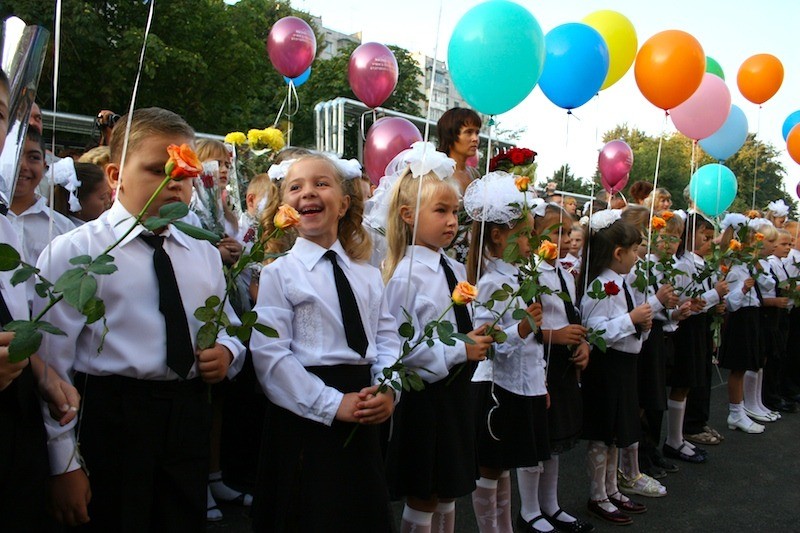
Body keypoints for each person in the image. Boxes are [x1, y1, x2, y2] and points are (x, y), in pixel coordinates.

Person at [36, 107, 246, 530]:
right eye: (157, 169)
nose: (174, 182)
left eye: (185, 175)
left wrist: (227, 351)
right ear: (115, 176)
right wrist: (64, 463)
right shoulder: (76, 252)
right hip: (111, 418)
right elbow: (52, 365)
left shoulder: (202, 252)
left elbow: (226, 325)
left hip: (185, 418)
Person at [248, 153, 398, 532]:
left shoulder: (367, 275)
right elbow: (270, 356)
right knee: (310, 512)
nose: (308, 193)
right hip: (305, 410)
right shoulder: (279, 274)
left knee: (357, 512)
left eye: (321, 183)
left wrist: (389, 387)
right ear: (285, 206)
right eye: (296, 187)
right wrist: (331, 404)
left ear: (344, 204)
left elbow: (386, 336)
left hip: (363, 401)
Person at [382, 150, 494, 533]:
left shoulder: (453, 266)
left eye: (454, 212)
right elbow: (400, 351)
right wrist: (459, 349)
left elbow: (453, 323)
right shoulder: (405, 277)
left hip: (455, 394)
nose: (451, 221)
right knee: (425, 490)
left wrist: (473, 337)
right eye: (440, 211)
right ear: (408, 215)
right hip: (426, 401)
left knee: (449, 487)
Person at [462, 174, 548, 533]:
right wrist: (522, 329)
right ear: (499, 236)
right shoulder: (491, 282)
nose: (532, 241)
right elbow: (486, 341)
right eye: (525, 233)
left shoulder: (517, 277)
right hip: (497, 387)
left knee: (505, 466)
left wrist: (541, 383)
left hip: (520, 385)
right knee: (491, 467)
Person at [578, 210, 652, 526]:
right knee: (601, 434)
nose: (638, 256)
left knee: (612, 435)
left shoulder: (620, 282)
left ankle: (610, 490)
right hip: (605, 368)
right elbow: (593, 330)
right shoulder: (600, 286)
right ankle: (597, 495)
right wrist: (631, 320)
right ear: (618, 253)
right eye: (634, 250)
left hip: (622, 366)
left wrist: (641, 324)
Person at [532, 204, 594, 533]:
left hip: (564, 363)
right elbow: (524, 326)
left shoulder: (564, 273)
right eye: (555, 232)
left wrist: (581, 343)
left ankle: (550, 505)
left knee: (556, 439)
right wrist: (554, 336)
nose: (564, 239)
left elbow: (573, 315)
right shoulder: (531, 275)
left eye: (567, 233)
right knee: (540, 439)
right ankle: (531, 510)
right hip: (541, 360)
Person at [677, 214, 728, 449]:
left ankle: (698, 419)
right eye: (705, 237)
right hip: (688, 326)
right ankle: (689, 426)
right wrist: (714, 294)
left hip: (701, 325)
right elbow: (688, 300)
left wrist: (716, 302)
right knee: (690, 376)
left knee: (702, 374)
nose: (710, 242)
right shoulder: (685, 264)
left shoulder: (701, 262)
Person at [718, 214, 768, 434]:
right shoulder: (732, 269)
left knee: (747, 363)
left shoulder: (745, 266)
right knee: (738, 369)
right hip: (740, 319)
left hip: (751, 317)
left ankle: (743, 410)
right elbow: (730, 302)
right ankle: (736, 412)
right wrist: (744, 289)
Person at [8, 128, 75, 267]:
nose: (23, 165)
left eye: (33, 157)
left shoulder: (63, 229)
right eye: (14, 154)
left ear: (44, 166)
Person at [437, 107, 482, 264]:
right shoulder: (439, 173)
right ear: (451, 135)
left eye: (477, 132)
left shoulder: (475, 175)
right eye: (468, 132)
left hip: (476, 254)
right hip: (447, 253)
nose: (475, 138)